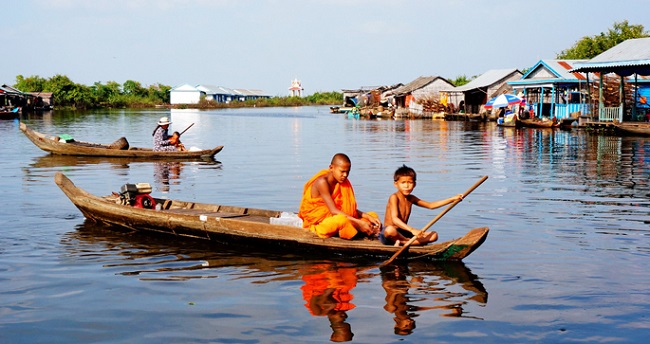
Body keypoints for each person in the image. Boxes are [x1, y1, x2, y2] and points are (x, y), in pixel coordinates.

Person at [298, 153, 381, 240]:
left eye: (347, 172)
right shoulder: (322, 183)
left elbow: (345, 208)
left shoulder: (342, 182)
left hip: (336, 216)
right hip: (320, 223)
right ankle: (357, 230)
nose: (345, 175)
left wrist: (367, 216)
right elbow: (334, 211)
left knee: (373, 215)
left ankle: (357, 229)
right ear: (331, 168)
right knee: (341, 221)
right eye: (342, 171)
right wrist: (359, 223)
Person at [379, 165, 463, 246]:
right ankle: (407, 242)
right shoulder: (394, 197)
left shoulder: (411, 198)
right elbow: (395, 219)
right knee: (390, 230)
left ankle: (403, 242)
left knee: (434, 235)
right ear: (396, 184)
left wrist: (452, 199)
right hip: (389, 234)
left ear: (414, 184)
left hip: (403, 232)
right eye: (403, 183)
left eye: (410, 182)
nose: (407, 186)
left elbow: (431, 205)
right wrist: (412, 230)